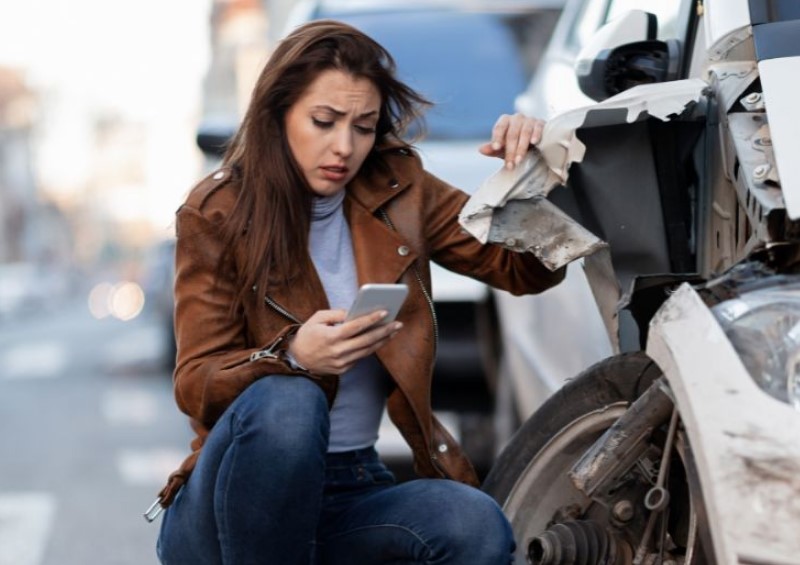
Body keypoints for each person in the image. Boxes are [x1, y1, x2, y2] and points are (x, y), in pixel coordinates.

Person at [152, 19, 565, 565]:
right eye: (323, 121)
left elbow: (525, 272)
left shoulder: (399, 189)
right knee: (289, 400)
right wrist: (294, 356)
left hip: (351, 486)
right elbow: (195, 382)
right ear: (278, 116)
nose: (344, 147)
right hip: (229, 504)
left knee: (472, 521)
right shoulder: (217, 211)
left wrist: (531, 173)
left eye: (364, 127)